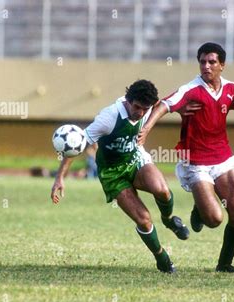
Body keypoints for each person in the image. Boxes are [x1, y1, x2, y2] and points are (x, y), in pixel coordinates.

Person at [138, 42, 234, 273]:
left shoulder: (232, 89)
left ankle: (224, 263)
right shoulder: (191, 89)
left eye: (211, 62)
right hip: (197, 164)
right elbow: (164, 105)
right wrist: (146, 130)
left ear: (222, 65)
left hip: (223, 159)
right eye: (202, 62)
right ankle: (200, 210)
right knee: (214, 219)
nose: (206, 66)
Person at [51, 79, 189, 273]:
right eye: (137, 107)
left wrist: (185, 107)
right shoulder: (108, 118)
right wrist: (60, 178)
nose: (141, 112)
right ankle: (161, 257)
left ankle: (168, 220)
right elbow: (77, 145)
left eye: (145, 108)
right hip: (112, 173)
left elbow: (166, 102)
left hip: (136, 159)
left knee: (163, 191)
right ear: (128, 100)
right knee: (144, 219)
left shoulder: (149, 106)